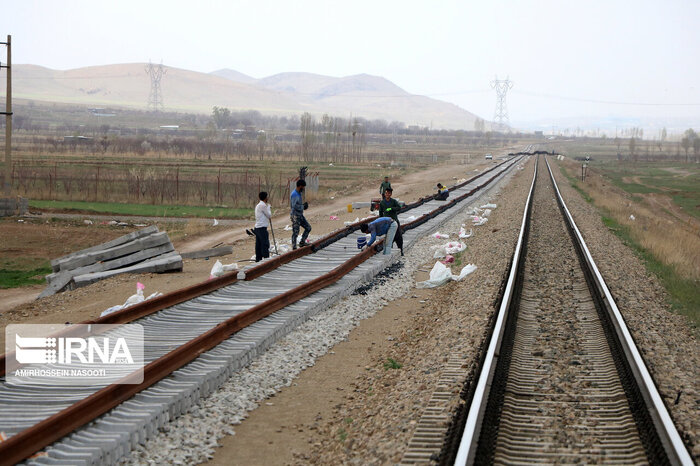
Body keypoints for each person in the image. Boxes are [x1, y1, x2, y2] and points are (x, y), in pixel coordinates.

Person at [378, 188, 404, 256]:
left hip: (395, 221)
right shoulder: (382, 203)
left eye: (389, 193)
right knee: (389, 238)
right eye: (386, 193)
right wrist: (380, 221)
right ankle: (389, 253)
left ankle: (401, 251)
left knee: (399, 237)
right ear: (385, 194)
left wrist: (392, 208)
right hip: (387, 223)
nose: (387, 194)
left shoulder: (394, 201)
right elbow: (380, 213)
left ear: (391, 194)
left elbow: (399, 207)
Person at [290, 179, 311, 249]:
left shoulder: (298, 193)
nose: (303, 188)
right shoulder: (294, 194)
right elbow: (294, 206)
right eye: (303, 187)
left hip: (300, 215)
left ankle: (302, 242)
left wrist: (303, 205)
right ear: (300, 186)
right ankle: (294, 247)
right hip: (295, 216)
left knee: (308, 227)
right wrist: (302, 207)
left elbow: (298, 204)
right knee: (296, 232)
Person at [254, 191, 272, 262]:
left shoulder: (258, 205)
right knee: (265, 244)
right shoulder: (263, 206)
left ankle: (258, 260)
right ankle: (266, 261)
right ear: (265, 198)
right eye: (267, 197)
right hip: (261, 228)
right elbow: (269, 215)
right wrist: (269, 207)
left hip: (257, 228)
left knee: (258, 245)